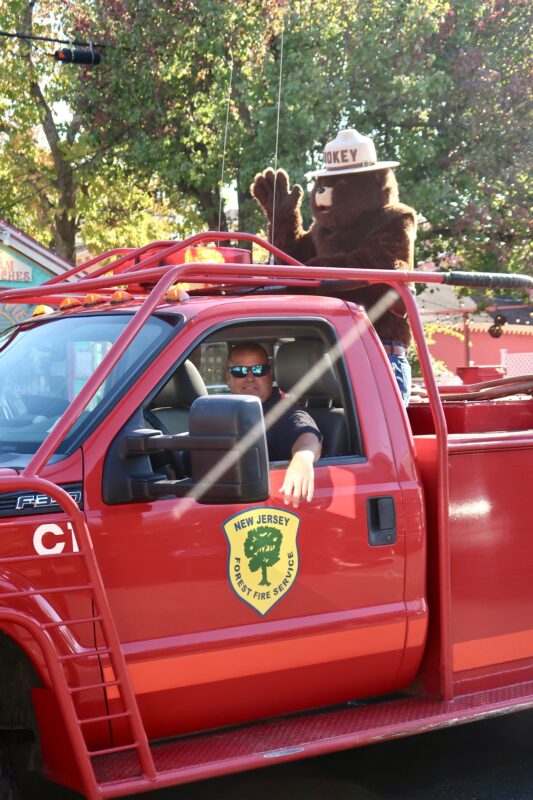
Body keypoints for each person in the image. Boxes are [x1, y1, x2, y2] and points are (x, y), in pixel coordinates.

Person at [226, 343, 322, 508]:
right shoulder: (221, 409)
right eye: (239, 371)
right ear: (228, 377)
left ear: (269, 374)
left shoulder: (281, 411)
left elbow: (307, 435)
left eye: (258, 370)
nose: (250, 378)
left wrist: (303, 458)